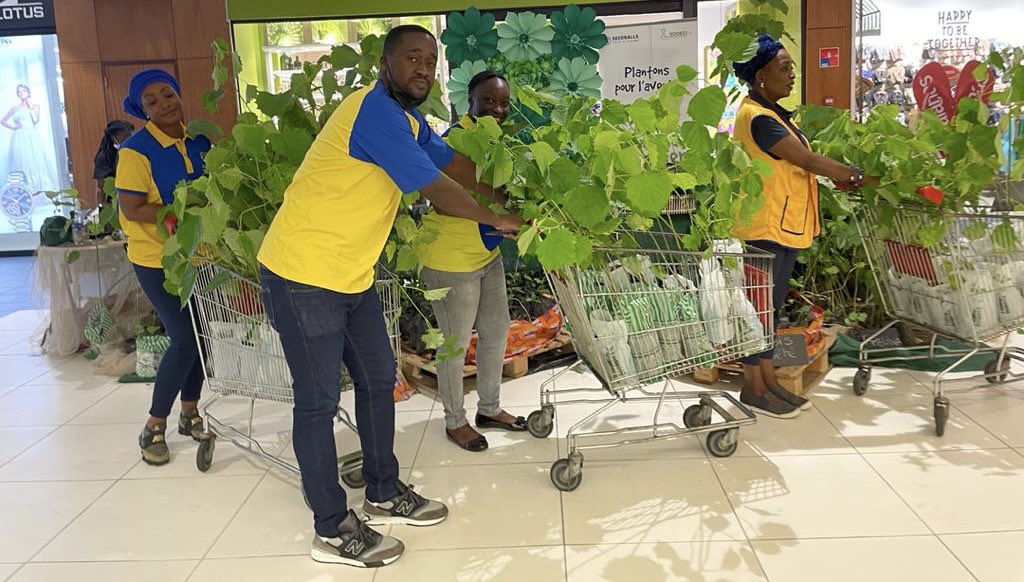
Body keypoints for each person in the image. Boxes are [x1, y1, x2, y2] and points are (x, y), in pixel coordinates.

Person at [257, 26, 525, 568]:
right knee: (317, 403)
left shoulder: (407, 119)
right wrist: (495, 215)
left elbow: (452, 162)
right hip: (302, 273)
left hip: (350, 274)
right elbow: (441, 192)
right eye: (411, 58)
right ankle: (331, 529)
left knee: (380, 381)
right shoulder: (373, 114)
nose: (422, 68)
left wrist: (505, 193)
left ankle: (382, 491)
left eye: (430, 60)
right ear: (385, 64)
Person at [732, 34, 874, 419]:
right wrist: (851, 174)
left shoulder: (772, 114)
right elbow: (805, 160)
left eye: (791, 66)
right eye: (784, 68)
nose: (792, 75)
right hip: (763, 227)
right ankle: (753, 388)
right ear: (761, 76)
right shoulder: (758, 119)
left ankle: (769, 382)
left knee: (770, 308)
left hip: (783, 224)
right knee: (758, 311)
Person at [421, 71, 524, 452]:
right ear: (470, 102)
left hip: (487, 252)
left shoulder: (498, 144)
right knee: (455, 342)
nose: (497, 109)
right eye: (488, 101)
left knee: (497, 331)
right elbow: (441, 200)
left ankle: (490, 409)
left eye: (503, 103)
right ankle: (454, 421)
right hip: (450, 258)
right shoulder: (453, 142)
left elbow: (498, 197)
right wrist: (495, 214)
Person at [114, 69, 211, 464]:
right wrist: (178, 213)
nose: (163, 104)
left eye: (167, 94)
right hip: (157, 259)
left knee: (201, 339)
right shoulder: (136, 151)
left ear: (178, 94)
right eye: (151, 101)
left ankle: (190, 412)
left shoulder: (200, 140)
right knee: (184, 339)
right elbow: (132, 207)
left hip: (199, 256)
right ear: (142, 110)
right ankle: (155, 423)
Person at [2, 84, 56, 193]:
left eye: (23, 91)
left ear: (28, 92)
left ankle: (37, 187)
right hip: (19, 137)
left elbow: (36, 121)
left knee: (35, 159)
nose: (21, 93)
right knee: (21, 160)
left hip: (31, 136)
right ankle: (23, 188)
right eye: (19, 92)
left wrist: (31, 107)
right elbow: (3, 121)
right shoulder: (15, 108)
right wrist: (14, 127)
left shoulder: (35, 106)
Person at [91, 120, 134, 209]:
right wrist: (102, 209)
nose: (128, 142)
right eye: (124, 139)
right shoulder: (104, 158)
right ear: (113, 137)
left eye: (130, 138)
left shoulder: (131, 152)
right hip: (113, 203)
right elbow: (101, 189)